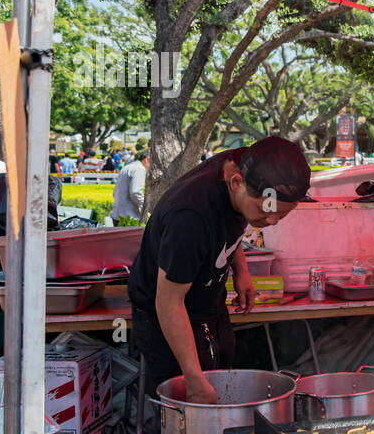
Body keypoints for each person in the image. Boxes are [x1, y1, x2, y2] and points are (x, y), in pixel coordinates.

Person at [128, 136, 312, 419]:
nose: (273, 222)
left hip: (209, 305)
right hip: (166, 314)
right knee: (182, 409)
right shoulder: (189, 218)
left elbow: (231, 223)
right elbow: (168, 303)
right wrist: (193, 377)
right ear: (236, 183)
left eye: (282, 215)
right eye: (267, 211)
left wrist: (242, 271)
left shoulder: (246, 163)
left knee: (220, 378)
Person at [111, 152, 150, 222]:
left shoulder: (128, 167)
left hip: (118, 214)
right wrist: (147, 207)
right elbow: (135, 192)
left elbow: (114, 192)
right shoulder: (139, 169)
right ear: (147, 159)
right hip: (128, 216)